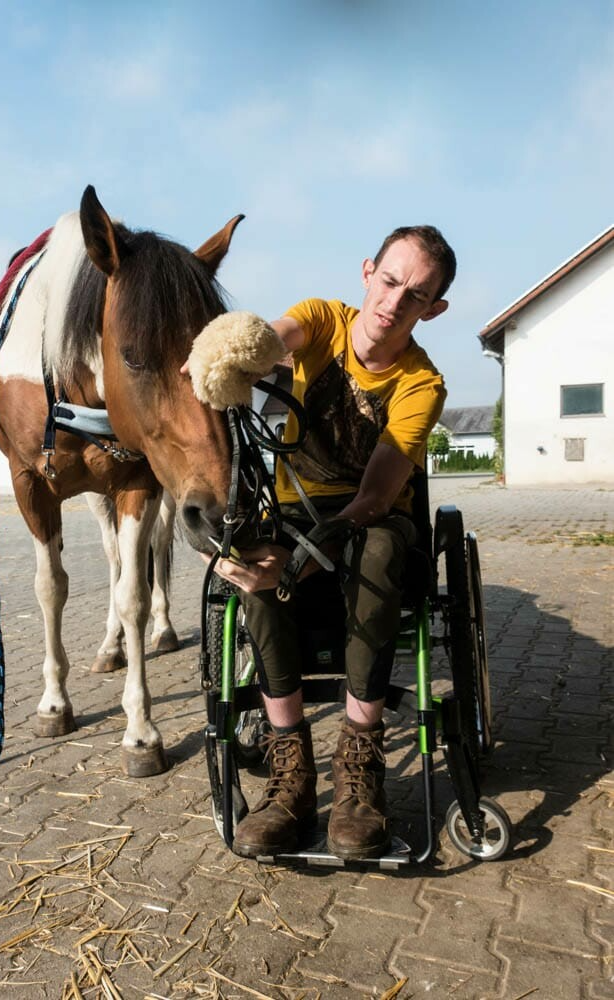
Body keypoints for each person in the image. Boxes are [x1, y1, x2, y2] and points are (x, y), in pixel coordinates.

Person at [210, 225, 455, 860]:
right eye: (392, 280)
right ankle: (292, 777)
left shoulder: (422, 384)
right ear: (368, 271)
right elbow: (267, 343)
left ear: (435, 309)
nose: (396, 302)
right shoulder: (323, 321)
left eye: (418, 295)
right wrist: (219, 356)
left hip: (371, 515)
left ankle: (360, 770)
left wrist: (297, 564)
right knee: (254, 563)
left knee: (374, 546)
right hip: (296, 506)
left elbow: (373, 499)